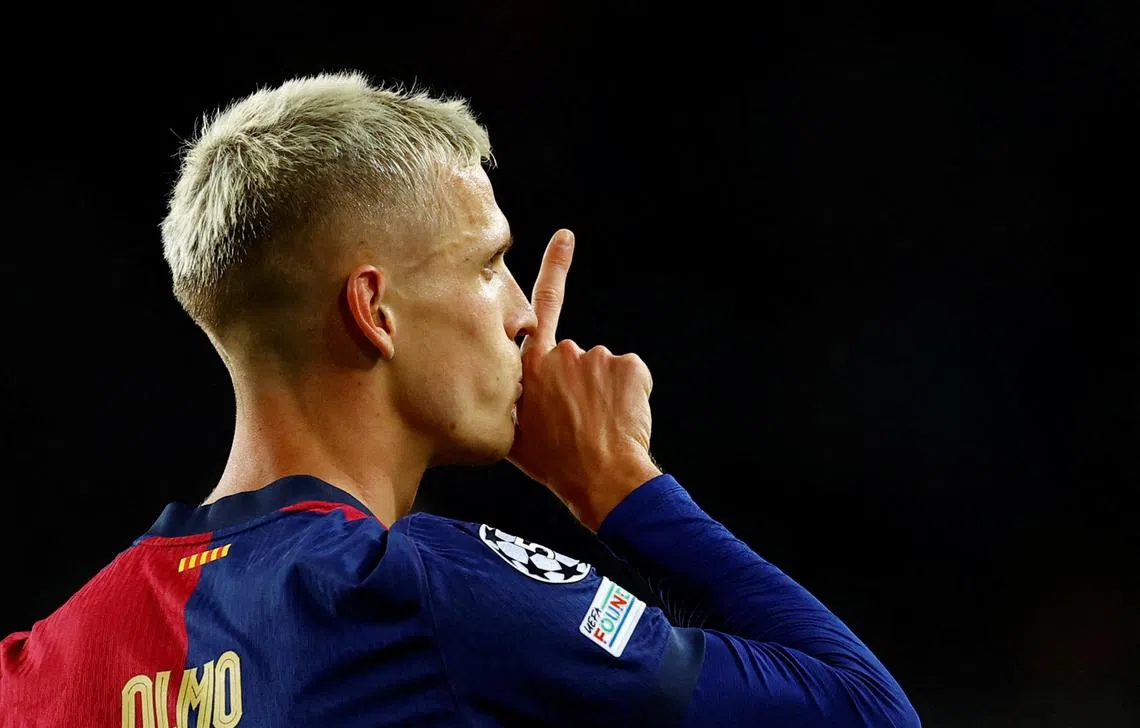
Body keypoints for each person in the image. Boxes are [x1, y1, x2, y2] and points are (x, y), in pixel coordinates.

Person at [0, 71, 920, 727]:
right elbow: (865, 708)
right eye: (488, 265)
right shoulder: (426, 596)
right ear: (375, 311)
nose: (524, 315)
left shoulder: (41, 663)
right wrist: (621, 484)